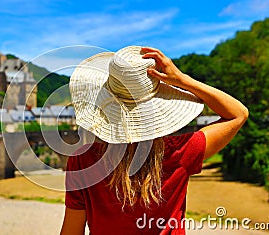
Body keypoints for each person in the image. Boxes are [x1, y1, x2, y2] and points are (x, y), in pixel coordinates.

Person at [60, 46, 248, 235]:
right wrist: (182, 79)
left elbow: (71, 231)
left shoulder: (83, 161)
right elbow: (238, 115)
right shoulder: (180, 152)